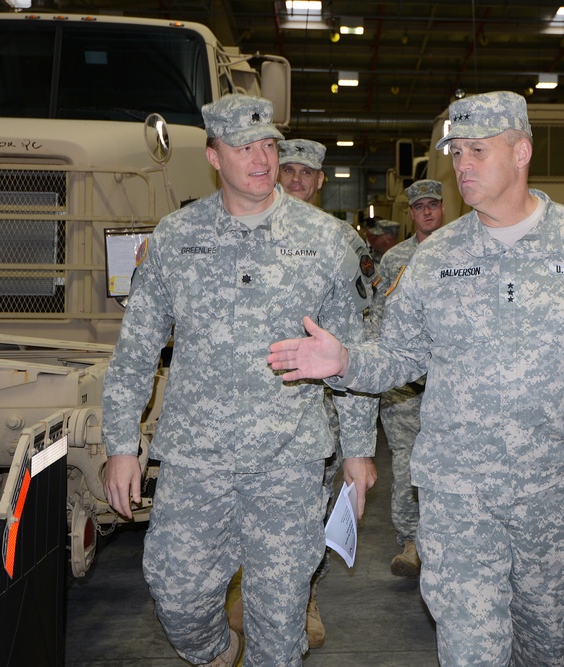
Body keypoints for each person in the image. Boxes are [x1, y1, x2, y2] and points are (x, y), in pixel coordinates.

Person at [267, 90, 564, 666]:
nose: (463, 165)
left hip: (555, 494)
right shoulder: (435, 259)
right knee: (470, 651)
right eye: (457, 152)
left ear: (522, 150)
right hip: (459, 495)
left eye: (479, 150)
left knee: (552, 646)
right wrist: (348, 362)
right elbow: (399, 357)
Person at [101, 93, 377, 667]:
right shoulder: (176, 238)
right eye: (243, 146)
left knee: (278, 627)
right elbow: (135, 351)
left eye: (268, 145)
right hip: (195, 459)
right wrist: (121, 446)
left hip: (288, 461)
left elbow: (353, 354)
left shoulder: (325, 241)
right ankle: (218, 651)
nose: (261, 158)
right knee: (175, 594)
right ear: (212, 155)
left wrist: (357, 452)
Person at [273, 136, 375, 648]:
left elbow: (359, 331)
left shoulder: (340, 243)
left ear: (318, 181)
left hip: (317, 407)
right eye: (287, 169)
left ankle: (305, 598)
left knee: (310, 512)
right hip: (252, 403)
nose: (296, 179)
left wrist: (357, 434)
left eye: (305, 173)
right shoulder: (246, 230)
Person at [367, 179, 446, 577]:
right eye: (420, 207)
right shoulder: (394, 259)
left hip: (451, 383)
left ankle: (445, 543)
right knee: (406, 463)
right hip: (403, 388)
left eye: (434, 204)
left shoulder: (461, 251)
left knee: (450, 465)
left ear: (443, 208)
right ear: (411, 214)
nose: (427, 212)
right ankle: (412, 542)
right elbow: (380, 319)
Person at [278, 138, 326, 206]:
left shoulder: (324, 217)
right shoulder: (260, 216)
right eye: (289, 171)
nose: (295, 179)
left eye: (306, 172)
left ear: (319, 179)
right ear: (276, 176)